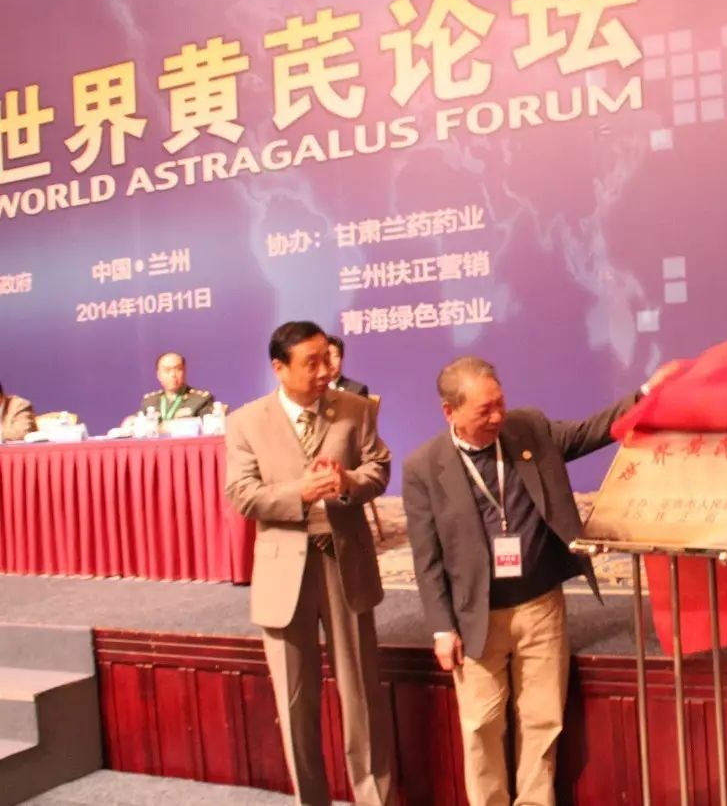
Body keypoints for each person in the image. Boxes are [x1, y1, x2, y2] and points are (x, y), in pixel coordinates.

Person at [402, 356, 673, 806]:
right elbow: (426, 557)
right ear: (450, 412)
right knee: (482, 725)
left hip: (540, 605)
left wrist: (645, 394)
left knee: (542, 719)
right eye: (484, 410)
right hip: (476, 617)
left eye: (500, 403)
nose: (497, 417)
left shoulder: (529, 429)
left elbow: (591, 431)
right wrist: (442, 628)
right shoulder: (424, 467)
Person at [224, 321, 397, 806]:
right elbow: (242, 494)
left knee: (362, 695)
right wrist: (298, 494)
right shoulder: (246, 422)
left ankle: (374, 798)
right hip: (284, 572)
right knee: (295, 701)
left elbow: (379, 469)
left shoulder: (355, 409)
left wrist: (347, 483)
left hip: (345, 565)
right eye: (312, 363)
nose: (325, 371)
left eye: (328, 359)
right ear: (279, 368)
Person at [138, 352, 216, 420]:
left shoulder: (200, 400)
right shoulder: (149, 401)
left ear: (184, 371)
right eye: (167, 370)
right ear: (158, 374)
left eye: (178, 369)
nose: (173, 375)